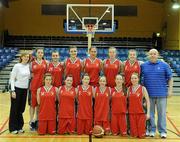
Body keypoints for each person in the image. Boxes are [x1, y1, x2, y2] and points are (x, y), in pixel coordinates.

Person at [141, 48, 173, 138]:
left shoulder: (164, 65)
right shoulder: (143, 65)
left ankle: (162, 131)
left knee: (161, 113)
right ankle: (151, 129)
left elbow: (170, 78)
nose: (153, 55)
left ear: (158, 55)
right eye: (151, 54)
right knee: (150, 114)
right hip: (148, 95)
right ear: (148, 55)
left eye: (154, 53)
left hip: (161, 94)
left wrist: (170, 90)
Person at [9, 52, 31, 134]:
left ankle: (19, 126)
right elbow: (12, 79)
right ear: (21, 57)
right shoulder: (17, 66)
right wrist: (12, 90)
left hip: (25, 90)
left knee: (21, 109)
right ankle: (12, 128)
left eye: (27, 57)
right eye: (25, 57)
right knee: (14, 109)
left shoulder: (28, 66)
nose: (26, 58)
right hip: (17, 89)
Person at [29, 48, 48, 130]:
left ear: (43, 54)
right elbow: (29, 74)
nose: (40, 54)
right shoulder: (32, 63)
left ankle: (37, 120)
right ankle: (31, 121)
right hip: (34, 86)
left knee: (39, 105)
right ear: (36, 54)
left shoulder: (46, 63)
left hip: (42, 87)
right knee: (33, 104)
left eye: (41, 53)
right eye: (39, 52)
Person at [127, 73, 150, 138]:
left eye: (135, 78)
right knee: (134, 135)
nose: (133, 80)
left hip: (141, 113)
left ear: (138, 79)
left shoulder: (143, 88)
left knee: (141, 136)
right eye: (132, 78)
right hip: (132, 114)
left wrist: (148, 113)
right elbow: (126, 101)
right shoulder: (129, 89)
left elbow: (148, 101)